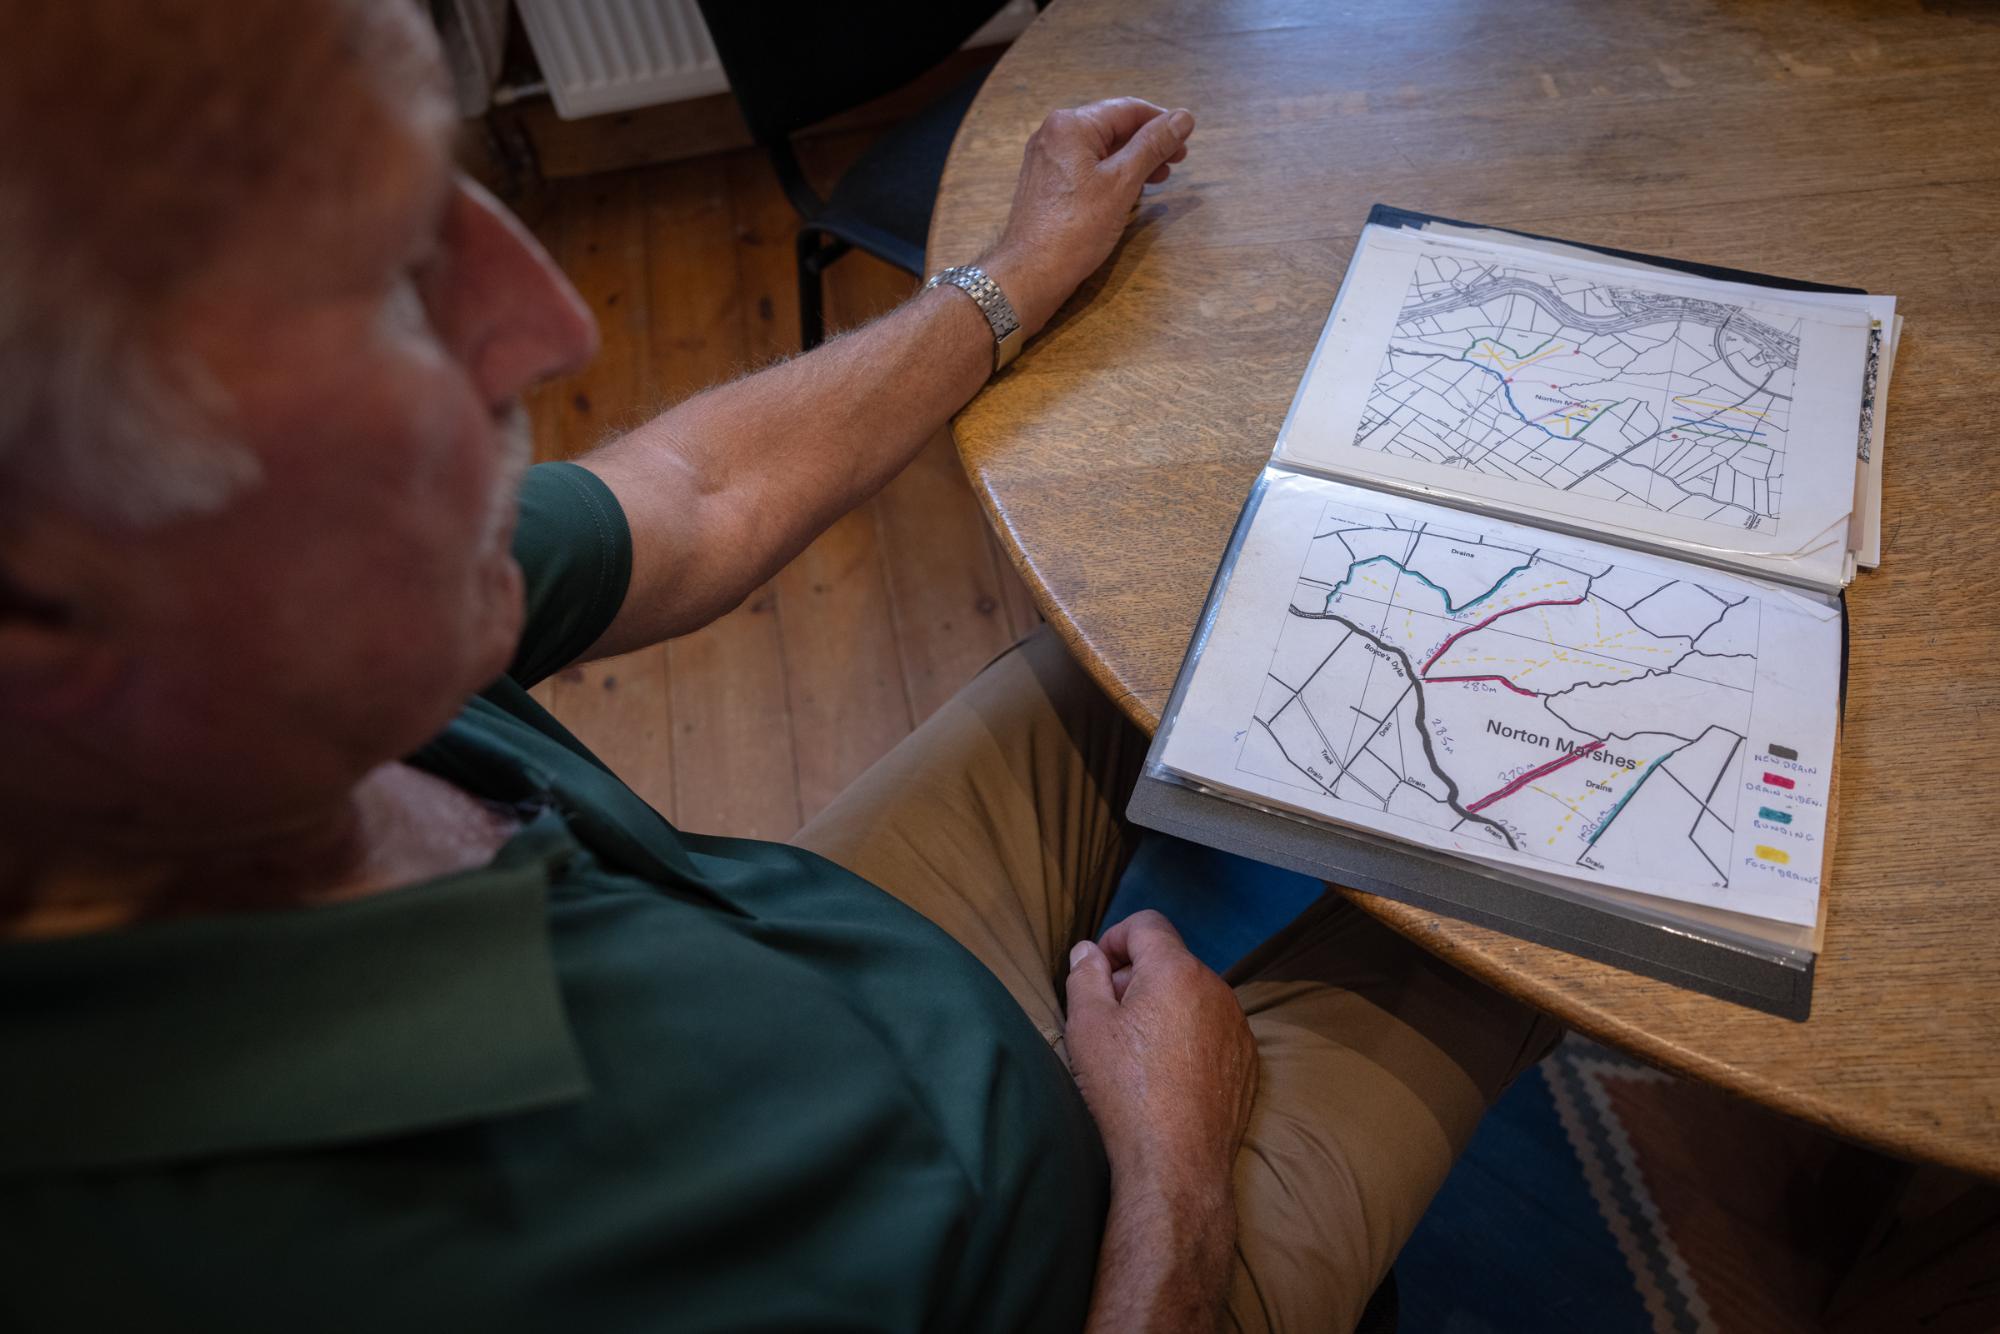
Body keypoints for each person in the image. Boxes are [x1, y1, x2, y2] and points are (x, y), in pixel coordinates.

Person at [0, 3, 1558, 1331]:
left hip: (840, 962)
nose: (548, 325)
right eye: (378, 281)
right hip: (1113, 1245)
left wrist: (1008, 278)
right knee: (1542, 888)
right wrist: (1174, 1175)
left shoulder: (285, 639)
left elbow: (688, 496)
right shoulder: (318, 1255)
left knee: (1216, 618)